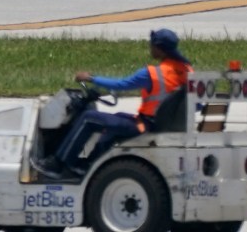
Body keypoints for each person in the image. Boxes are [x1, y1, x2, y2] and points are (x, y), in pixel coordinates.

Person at [53, 27, 192, 175]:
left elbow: (121, 85)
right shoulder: (188, 71)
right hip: (164, 126)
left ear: (160, 48)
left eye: (151, 44)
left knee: (89, 118)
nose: (149, 47)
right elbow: (196, 104)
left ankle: (58, 164)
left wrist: (91, 78)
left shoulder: (152, 74)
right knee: (116, 117)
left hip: (146, 126)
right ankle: (88, 164)